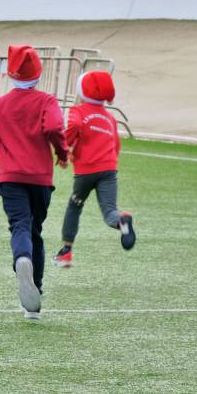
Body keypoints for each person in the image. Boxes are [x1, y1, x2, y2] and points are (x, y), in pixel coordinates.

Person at [0, 46, 68, 321]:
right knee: (36, 231)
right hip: (40, 178)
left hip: (10, 178)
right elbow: (53, 128)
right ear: (38, 74)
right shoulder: (47, 101)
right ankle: (34, 299)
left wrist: (3, 155)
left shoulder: (0, 104)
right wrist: (62, 153)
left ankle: (21, 260)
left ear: (10, 74)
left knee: (20, 226)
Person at [54, 71, 135, 267]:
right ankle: (122, 221)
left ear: (82, 92)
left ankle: (66, 252)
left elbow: (72, 127)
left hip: (85, 171)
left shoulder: (77, 111)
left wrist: (64, 152)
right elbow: (116, 145)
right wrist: (109, 163)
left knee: (75, 205)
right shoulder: (110, 118)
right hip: (109, 170)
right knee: (109, 212)